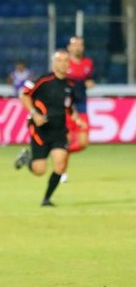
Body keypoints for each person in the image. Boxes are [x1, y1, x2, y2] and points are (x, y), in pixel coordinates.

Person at [13, 49, 85, 206]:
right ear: (54, 63)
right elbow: (23, 95)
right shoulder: (42, 80)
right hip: (41, 130)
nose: (63, 63)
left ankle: (46, 199)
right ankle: (27, 159)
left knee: (60, 164)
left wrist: (77, 119)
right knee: (40, 170)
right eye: (60, 60)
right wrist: (34, 114)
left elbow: (69, 106)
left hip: (59, 130)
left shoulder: (70, 85)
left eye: (66, 60)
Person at [63, 36, 94, 181]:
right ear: (69, 47)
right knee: (67, 139)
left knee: (83, 143)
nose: (78, 48)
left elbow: (88, 78)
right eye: (75, 45)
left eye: (80, 45)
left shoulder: (88, 63)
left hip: (82, 106)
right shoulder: (64, 63)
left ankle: (59, 153)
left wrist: (89, 82)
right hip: (67, 106)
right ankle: (62, 172)